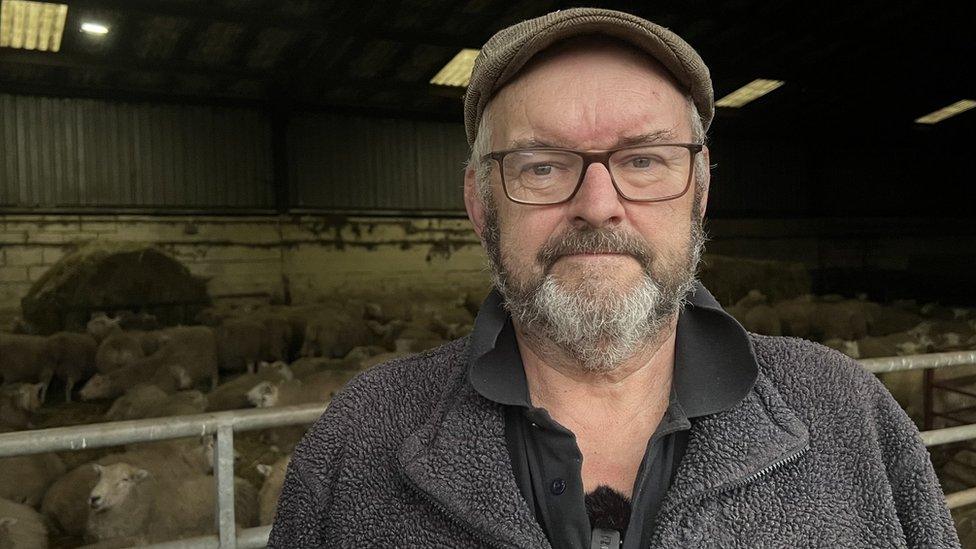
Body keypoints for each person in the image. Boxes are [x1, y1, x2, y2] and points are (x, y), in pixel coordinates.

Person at [269, 8, 960, 548]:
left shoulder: (853, 420)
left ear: (700, 189)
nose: (598, 203)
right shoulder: (357, 442)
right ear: (481, 204)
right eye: (541, 165)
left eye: (644, 160)